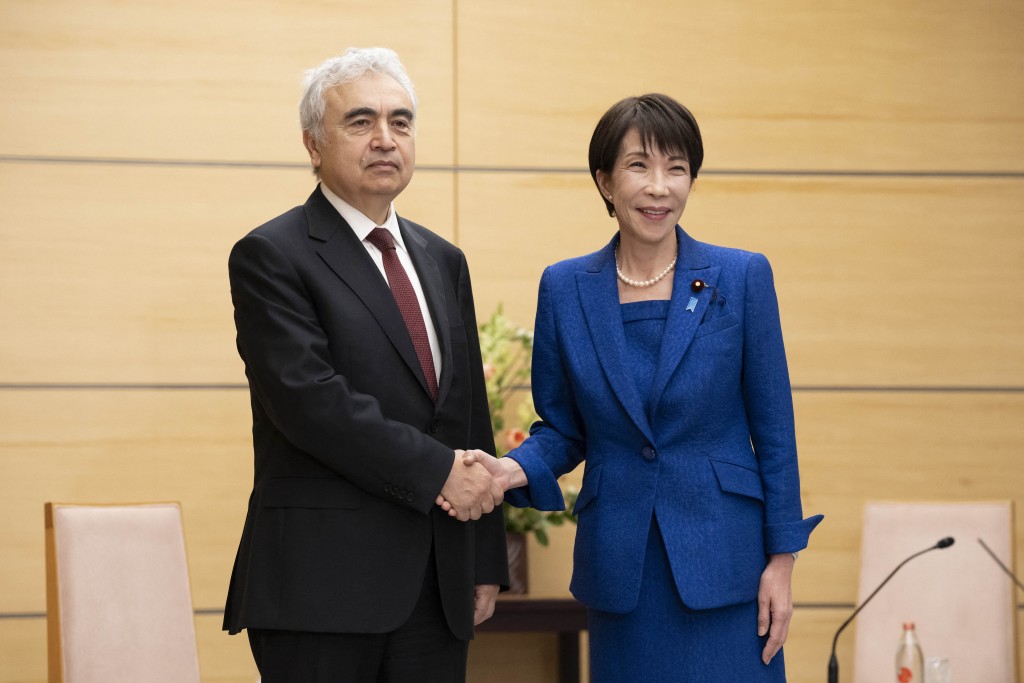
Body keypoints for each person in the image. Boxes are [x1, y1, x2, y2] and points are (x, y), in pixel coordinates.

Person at [447, 94, 822, 681]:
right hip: (621, 565)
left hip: (728, 562)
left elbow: (774, 430)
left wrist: (782, 559)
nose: (660, 187)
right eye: (639, 166)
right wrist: (511, 470)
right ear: (604, 180)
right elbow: (564, 429)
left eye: (677, 168)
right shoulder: (565, 287)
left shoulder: (743, 276)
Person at [223, 47, 508, 683]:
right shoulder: (272, 254)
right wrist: (441, 471)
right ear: (313, 144)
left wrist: (484, 557)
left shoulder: (443, 259)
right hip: (321, 589)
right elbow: (311, 402)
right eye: (360, 122)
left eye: (401, 122)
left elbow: (467, 415)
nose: (385, 139)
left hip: (437, 586)